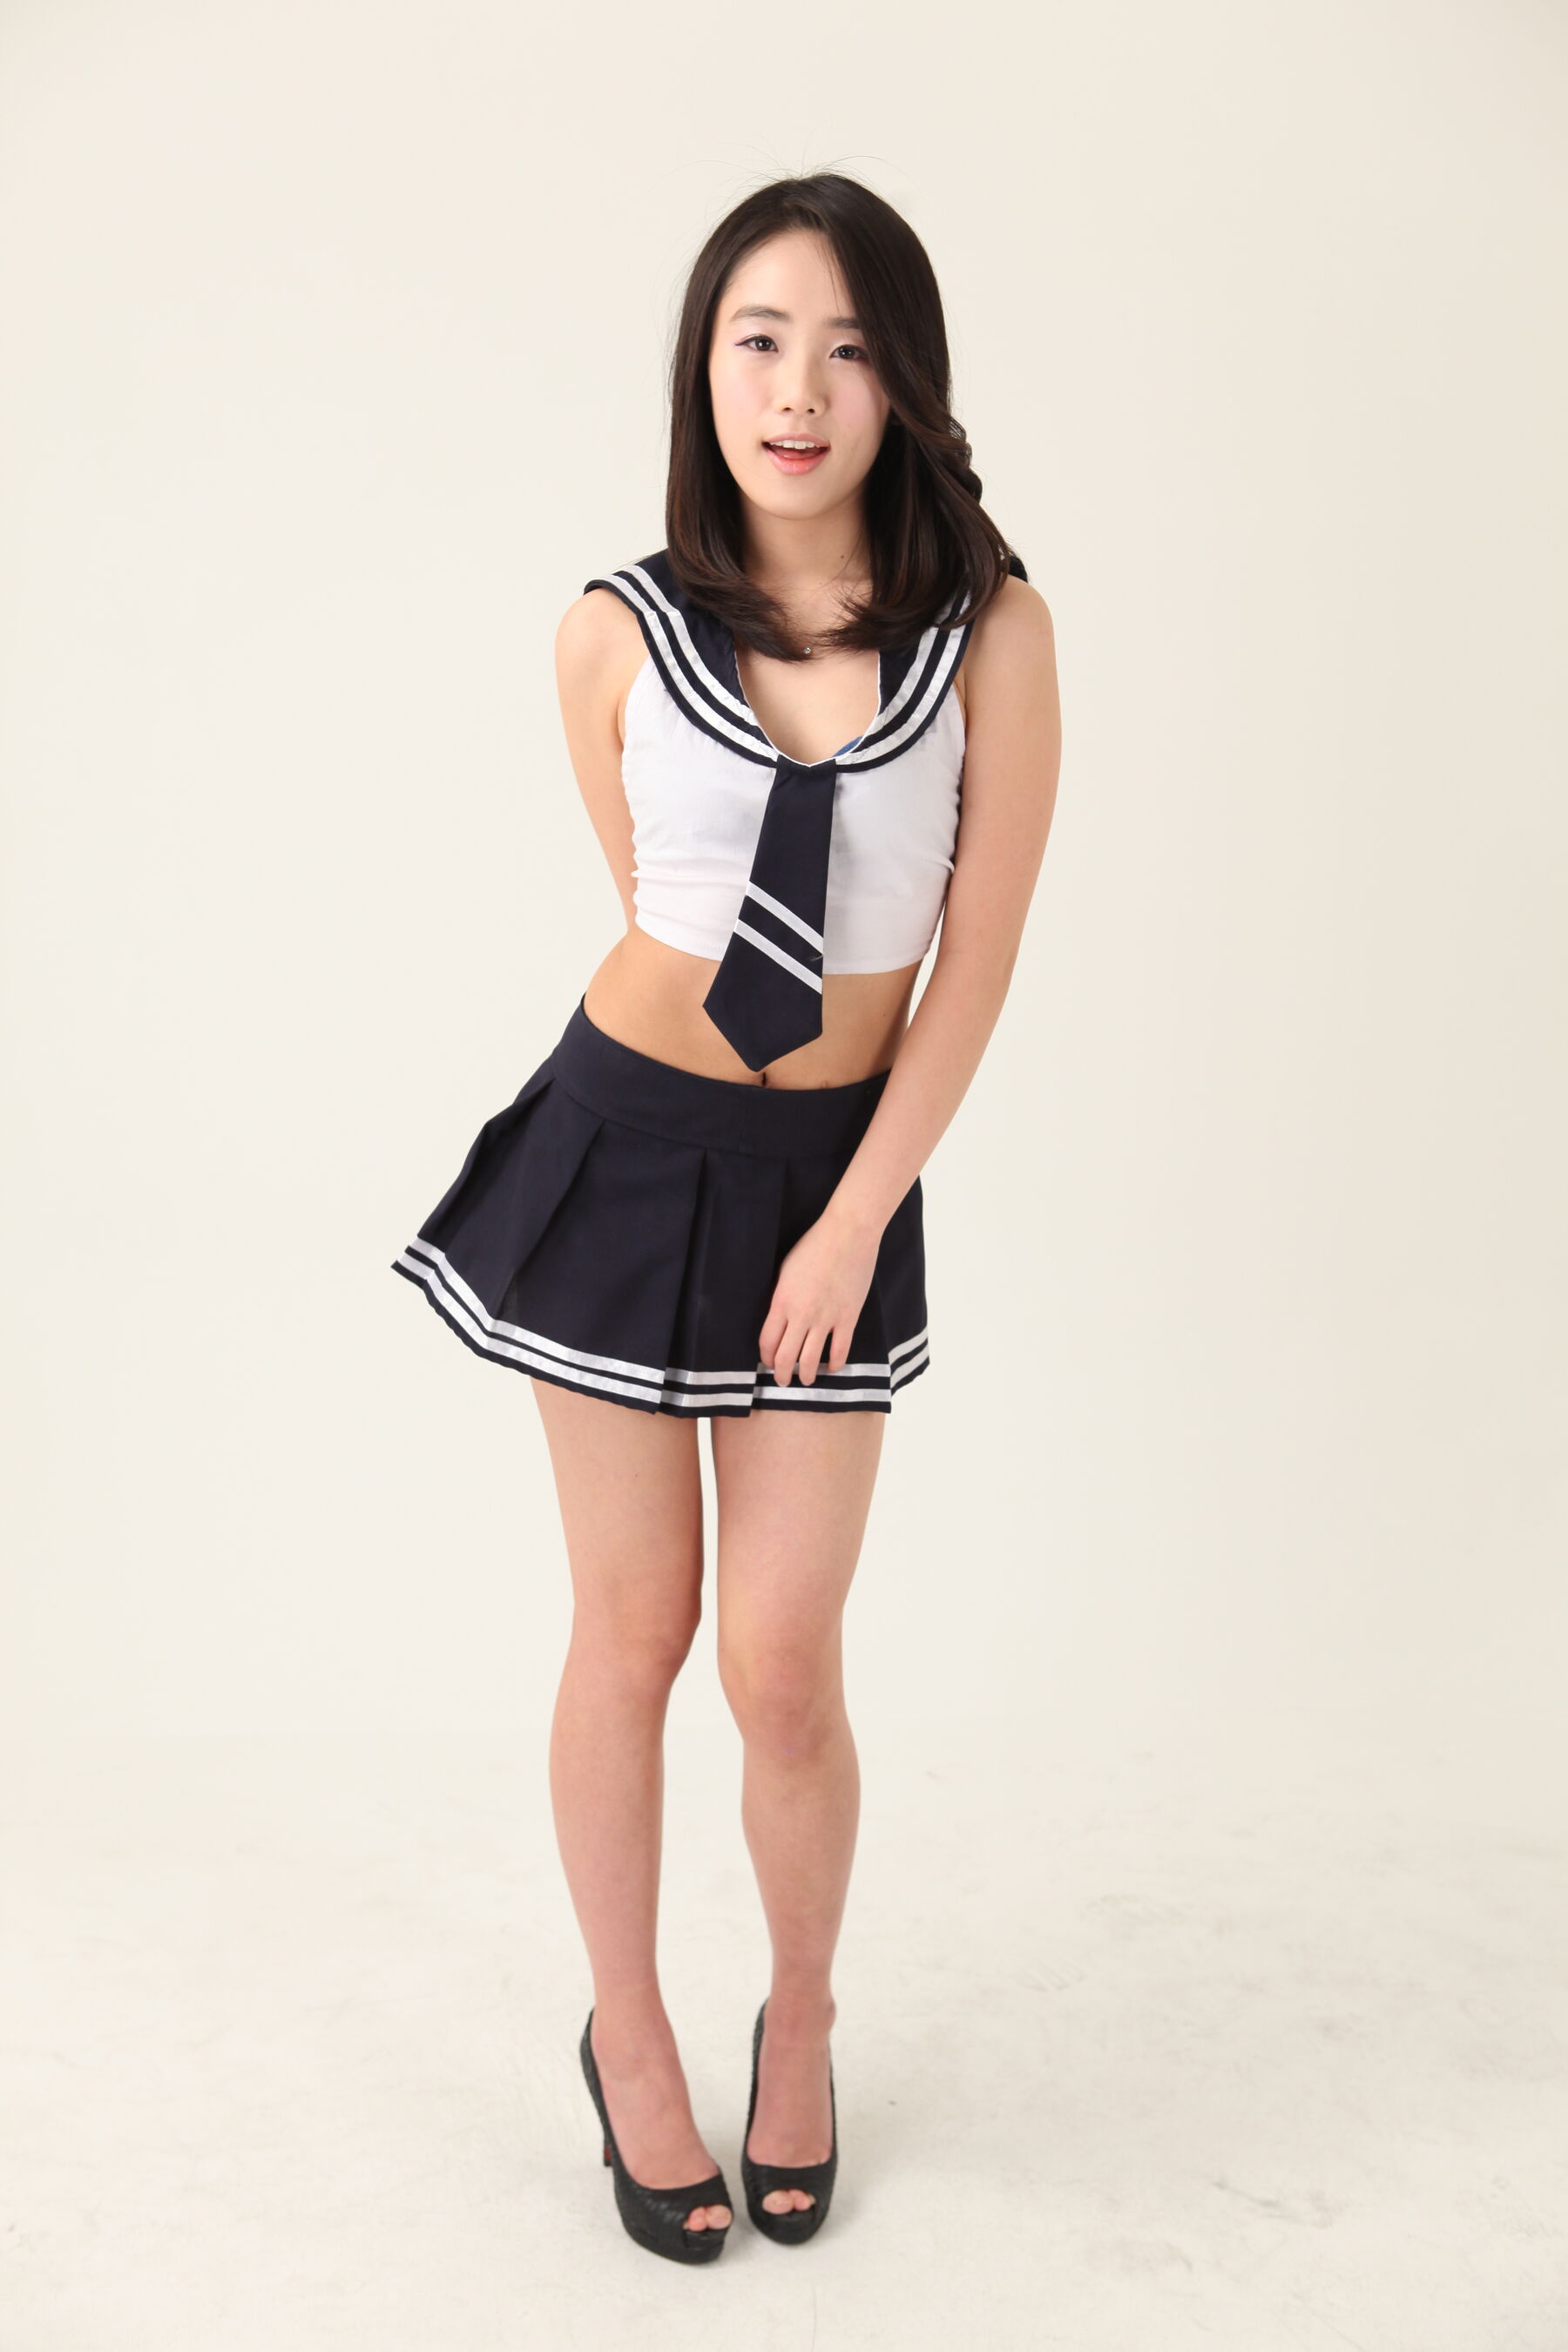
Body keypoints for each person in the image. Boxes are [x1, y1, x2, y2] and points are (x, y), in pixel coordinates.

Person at [392, 171, 1060, 2263]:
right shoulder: (614, 627)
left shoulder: (992, 634)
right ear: (705, 365)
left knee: (783, 1661)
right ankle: (630, 2037)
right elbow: (654, 899)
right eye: (760, 340)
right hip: (622, 1150)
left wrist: (856, 1216)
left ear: (906, 382)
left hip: (833, 1181)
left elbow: (972, 961)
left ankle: (805, 2018)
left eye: (850, 348)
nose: (798, 390)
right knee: (635, 1631)